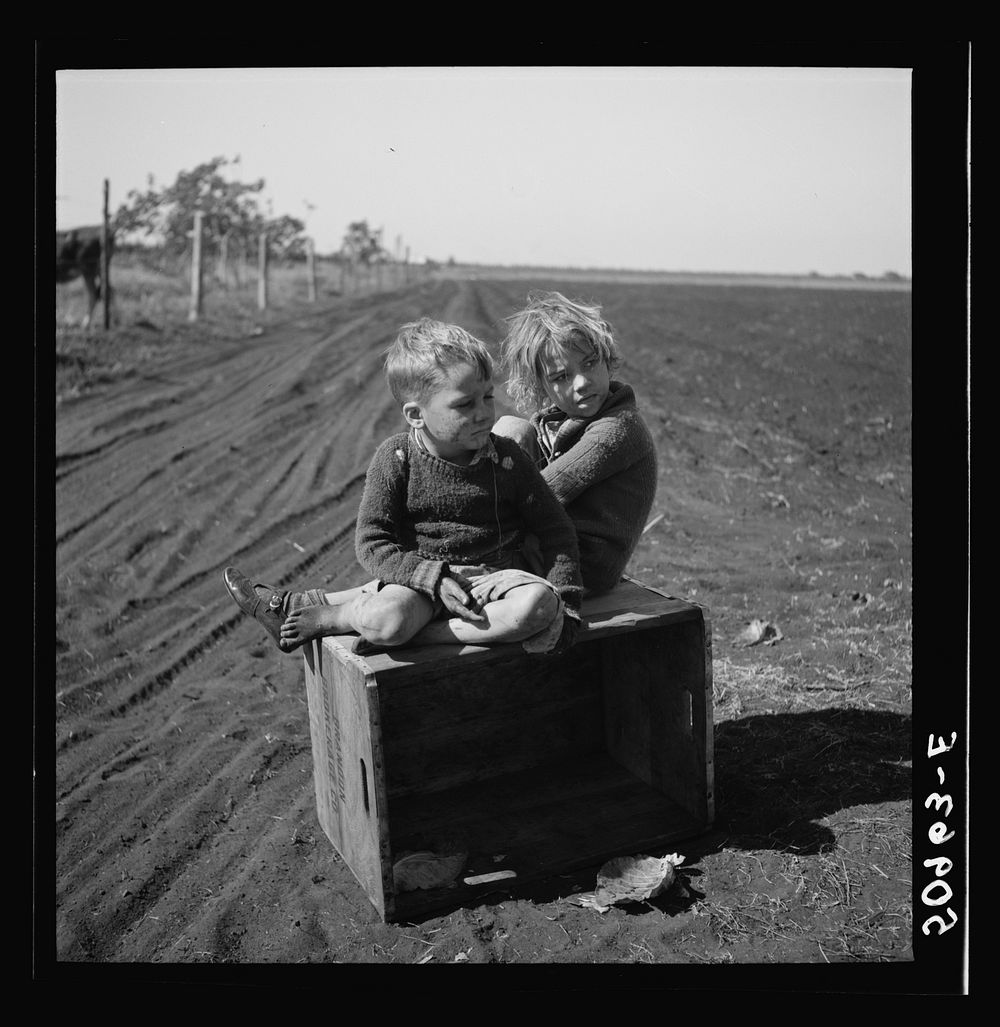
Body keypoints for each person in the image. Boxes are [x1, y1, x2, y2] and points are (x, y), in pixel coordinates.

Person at [224, 318, 584, 656]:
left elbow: (555, 530)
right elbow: (372, 543)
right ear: (415, 414)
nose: (483, 413)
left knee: (538, 607)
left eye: (487, 397)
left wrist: (566, 603)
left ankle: (420, 639)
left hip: (492, 583)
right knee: (387, 620)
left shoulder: (506, 458)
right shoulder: (396, 459)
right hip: (420, 588)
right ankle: (342, 616)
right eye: (464, 404)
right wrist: (429, 576)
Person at [493, 291, 657, 596]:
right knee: (511, 428)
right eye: (562, 377)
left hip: (584, 565)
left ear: (606, 359)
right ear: (539, 385)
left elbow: (542, 492)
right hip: (551, 537)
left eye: (590, 363)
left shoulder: (618, 429)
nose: (581, 383)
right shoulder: (558, 419)